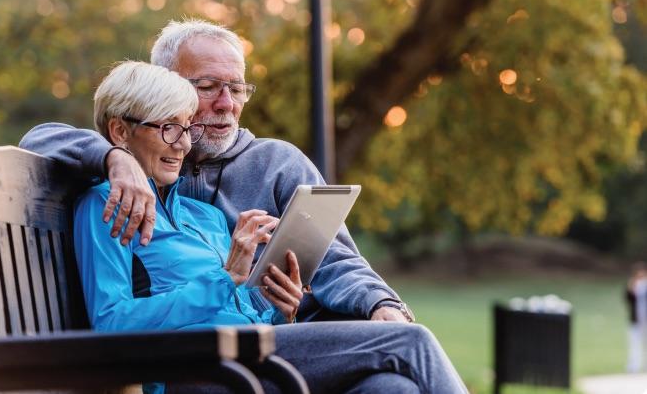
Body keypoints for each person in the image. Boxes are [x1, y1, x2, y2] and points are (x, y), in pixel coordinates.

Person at [74, 60, 468, 394]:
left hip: (248, 356)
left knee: (390, 388)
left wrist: (280, 310)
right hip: (196, 371)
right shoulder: (104, 206)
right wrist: (225, 277)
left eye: (185, 128)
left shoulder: (203, 216)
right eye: (167, 128)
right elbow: (113, 324)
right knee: (409, 341)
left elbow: (240, 309)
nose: (182, 145)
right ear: (120, 132)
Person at [20, 18, 412, 323]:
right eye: (207, 86)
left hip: (288, 334)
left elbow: (335, 259)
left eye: (237, 88)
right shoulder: (136, 161)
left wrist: (379, 304)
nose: (226, 103)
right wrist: (114, 158)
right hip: (211, 362)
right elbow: (41, 138)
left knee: (395, 367)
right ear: (169, 90)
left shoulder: (275, 164)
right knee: (402, 355)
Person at [626, 262, 647, 373]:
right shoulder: (633, 286)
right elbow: (628, 299)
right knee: (634, 344)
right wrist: (632, 288)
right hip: (636, 320)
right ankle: (634, 366)